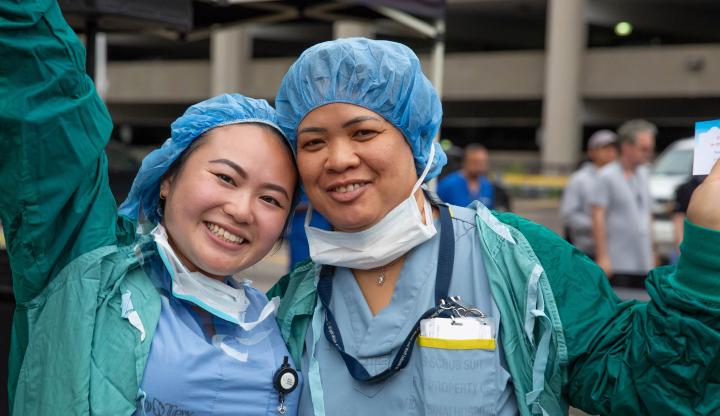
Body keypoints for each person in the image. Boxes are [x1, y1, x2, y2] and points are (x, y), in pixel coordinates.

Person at [268, 38, 720, 415]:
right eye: (313, 142)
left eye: (363, 132)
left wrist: (706, 253)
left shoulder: (518, 260)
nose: (340, 159)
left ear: (416, 139)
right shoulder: (289, 308)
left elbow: (647, 382)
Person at [0, 1, 302, 415]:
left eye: (271, 199)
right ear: (167, 179)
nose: (241, 209)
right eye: (225, 178)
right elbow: (41, 102)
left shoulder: (289, 319)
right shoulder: (86, 274)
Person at [590, 119, 657, 287]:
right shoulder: (607, 175)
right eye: (643, 148)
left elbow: (648, 215)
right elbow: (597, 216)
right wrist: (603, 256)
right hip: (617, 260)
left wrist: (653, 251)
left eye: (650, 148)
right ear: (627, 147)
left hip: (643, 259)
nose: (648, 153)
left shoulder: (644, 174)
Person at [560, 130, 618, 257]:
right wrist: (600, 226)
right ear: (591, 152)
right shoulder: (579, 179)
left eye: (614, 147)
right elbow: (569, 215)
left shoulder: (621, 178)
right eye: (604, 148)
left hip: (617, 251)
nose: (610, 152)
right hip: (587, 250)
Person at [437, 143, 510, 210]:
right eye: (476, 162)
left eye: (483, 162)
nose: (480, 167)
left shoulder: (487, 185)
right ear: (465, 162)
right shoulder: (448, 185)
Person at [288, 195, 331, 271]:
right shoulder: (297, 185)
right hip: (301, 235)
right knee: (299, 268)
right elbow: (288, 203)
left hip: (322, 234)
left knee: (320, 270)